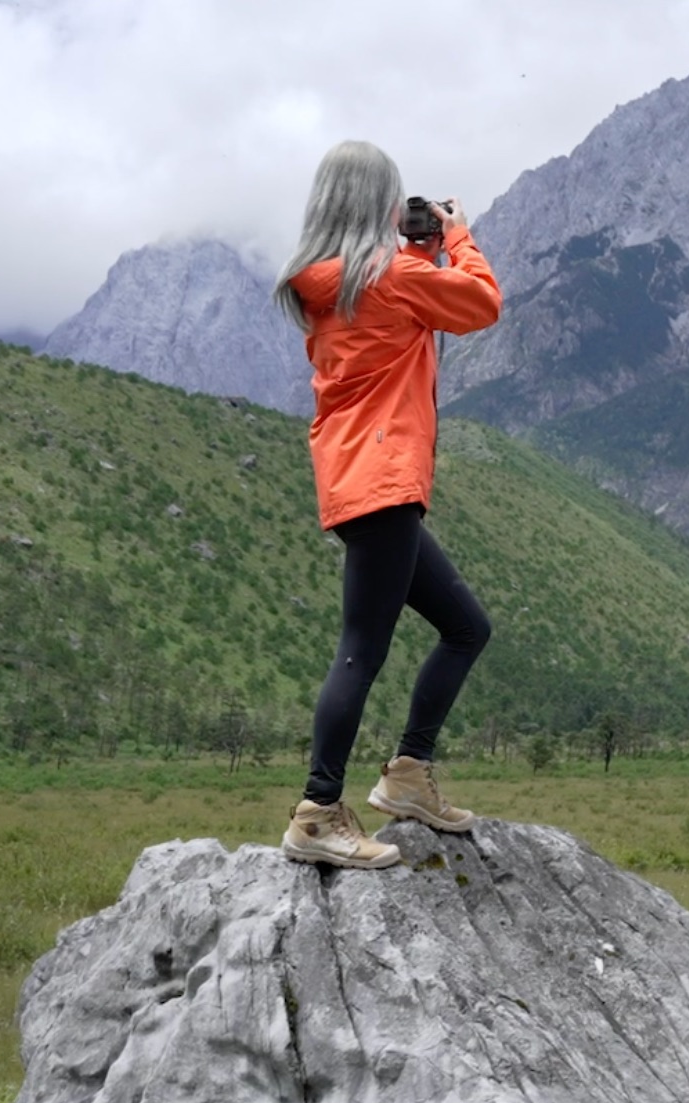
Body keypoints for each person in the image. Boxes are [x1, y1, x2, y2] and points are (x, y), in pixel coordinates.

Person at [272, 140, 502, 869]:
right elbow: (481, 304)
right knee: (361, 650)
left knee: (465, 626)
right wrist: (454, 236)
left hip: (354, 481)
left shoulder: (324, 284)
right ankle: (316, 811)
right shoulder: (396, 276)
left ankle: (407, 777)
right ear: (381, 205)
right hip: (386, 480)